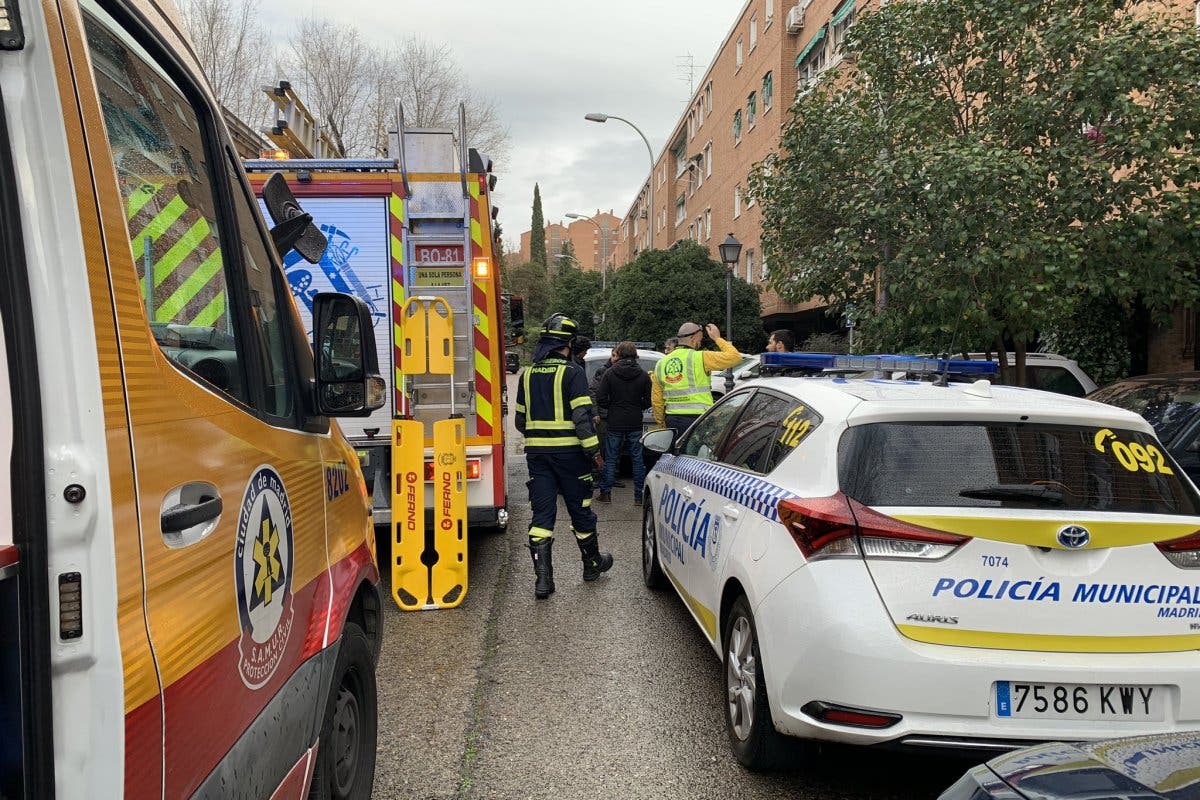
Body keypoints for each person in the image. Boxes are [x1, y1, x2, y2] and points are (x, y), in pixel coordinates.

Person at [515, 315, 613, 599]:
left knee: (541, 516)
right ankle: (592, 565)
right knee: (580, 510)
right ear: (569, 344)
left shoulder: (528, 374)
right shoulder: (572, 373)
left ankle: (543, 582)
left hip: (538, 457)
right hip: (571, 456)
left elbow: (521, 422)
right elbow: (582, 418)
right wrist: (594, 452)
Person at [652, 322, 742, 440]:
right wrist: (717, 338)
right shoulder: (701, 357)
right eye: (700, 338)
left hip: (672, 419)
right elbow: (735, 357)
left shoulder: (661, 363)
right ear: (693, 338)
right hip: (698, 420)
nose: (701, 342)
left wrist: (662, 424)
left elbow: (656, 400)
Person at [596, 341, 652, 505]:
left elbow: (600, 398)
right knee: (637, 459)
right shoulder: (642, 375)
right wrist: (638, 407)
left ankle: (605, 494)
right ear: (635, 355)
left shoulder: (610, 373)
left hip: (615, 421)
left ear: (619, 354)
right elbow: (649, 400)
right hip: (635, 421)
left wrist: (612, 407)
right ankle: (638, 497)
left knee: (611, 458)